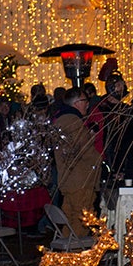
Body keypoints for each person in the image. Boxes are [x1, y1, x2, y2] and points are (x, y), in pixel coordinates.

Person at [52, 87, 101, 236]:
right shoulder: (73, 121)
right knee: (81, 221)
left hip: (68, 180)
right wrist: (99, 162)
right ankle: (76, 254)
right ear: (76, 103)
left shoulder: (60, 120)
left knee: (70, 217)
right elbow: (84, 149)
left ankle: (68, 254)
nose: (88, 104)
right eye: (85, 101)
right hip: (81, 181)